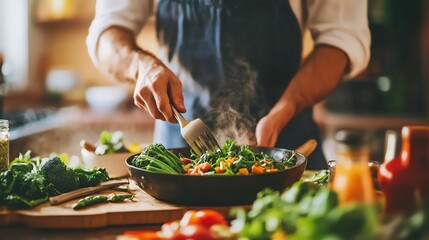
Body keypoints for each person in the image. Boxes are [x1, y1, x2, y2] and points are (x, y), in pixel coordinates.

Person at [87, 0, 370, 170]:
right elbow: (107, 32)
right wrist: (141, 66)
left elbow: (341, 39)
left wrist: (287, 106)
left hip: (285, 149)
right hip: (177, 155)